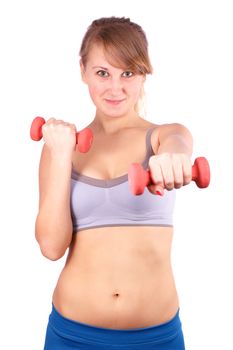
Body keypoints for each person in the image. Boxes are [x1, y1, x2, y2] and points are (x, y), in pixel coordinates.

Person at [36, 16, 193, 350]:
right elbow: (51, 247)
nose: (115, 88)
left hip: (156, 337)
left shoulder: (165, 136)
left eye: (128, 73)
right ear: (83, 71)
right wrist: (62, 155)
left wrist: (173, 159)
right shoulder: (61, 147)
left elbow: (179, 144)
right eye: (102, 73)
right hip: (72, 335)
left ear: (143, 74)